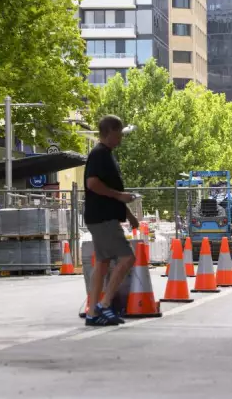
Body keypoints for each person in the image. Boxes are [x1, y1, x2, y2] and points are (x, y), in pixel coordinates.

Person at [84, 115, 140, 326]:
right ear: (110, 132)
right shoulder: (100, 155)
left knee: (102, 263)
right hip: (103, 218)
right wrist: (119, 197)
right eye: (119, 134)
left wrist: (129, 214)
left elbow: (111, 190)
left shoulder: (105, 154)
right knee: (127, 258)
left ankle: (93, 312)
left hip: (100, 216)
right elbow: (92, 183)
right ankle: (104, 305)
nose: (121, 139)